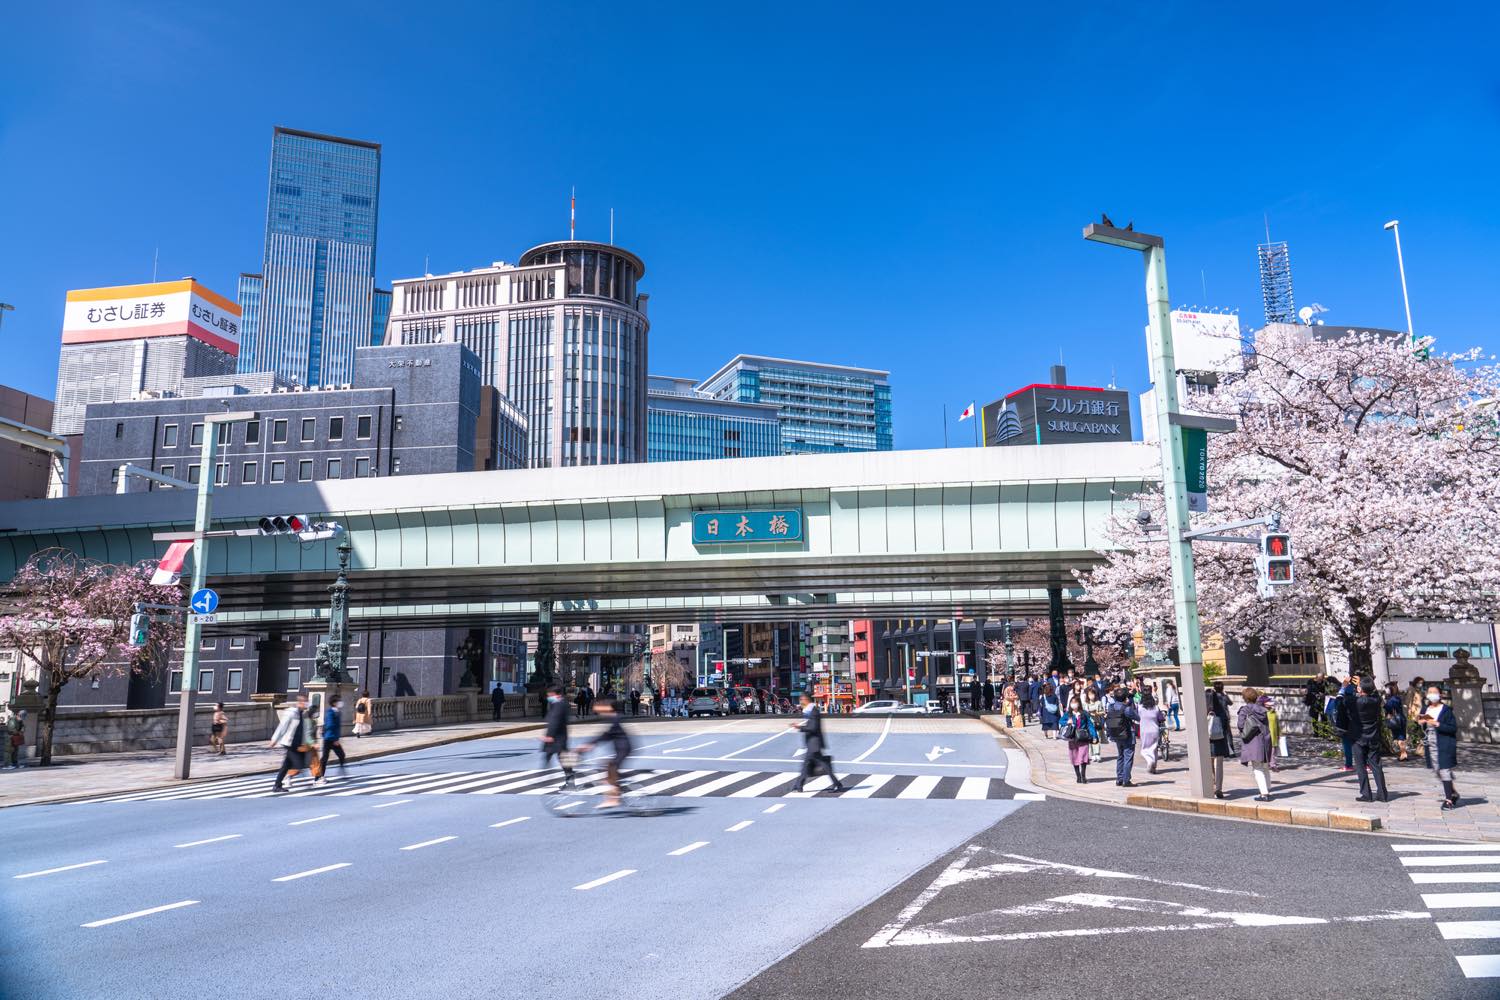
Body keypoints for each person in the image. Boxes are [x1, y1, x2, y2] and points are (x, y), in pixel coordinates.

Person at [578, 697, 631, 808]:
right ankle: (615, 791)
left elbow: (606, 735)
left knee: (611, 771)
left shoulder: (615, 719)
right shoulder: (613, 718)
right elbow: (606, 735)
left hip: (623, 749)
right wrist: (590, 744)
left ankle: (613, 799)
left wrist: (589, 744)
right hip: (621, 749)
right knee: (608, 769)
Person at [789, 692, 846, 793]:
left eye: (802, 700)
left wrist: (800, 727)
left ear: (807, 700)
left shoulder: (813, 711)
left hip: (814, 744)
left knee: (820, 765)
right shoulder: (809, 711)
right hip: (813, 743)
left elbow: (813, 727)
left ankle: (837, 785)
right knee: (807, 765)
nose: (801, 702)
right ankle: (798, 785)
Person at [1344, 677, 1389, 802]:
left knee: (1360, 766)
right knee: (1376, 765)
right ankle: (1382, 794)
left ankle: (1366, 794)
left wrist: (1345, 686)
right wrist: (1363, 685)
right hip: (1373, 735)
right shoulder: (1376, 700)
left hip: (1358, 737)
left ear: (1360, 689)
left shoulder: (1355, 701)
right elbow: (1374, 693)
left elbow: (1342, 699)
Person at [1422, 685, 1460, 809]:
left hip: (1444, 743)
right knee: (1437, 769)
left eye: (1435, 692)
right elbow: (1422, 723)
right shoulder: (1426, 708)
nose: (1432, 694)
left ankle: (1448, 799)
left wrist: (1438, 724)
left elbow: (1453, 728)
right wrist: (1421, 722)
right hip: (1431, 743)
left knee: (1444, 769)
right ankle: (1453, 792)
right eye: (1430, 692)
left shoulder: (1446, 710)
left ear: (1440, 695)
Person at [269, 694, 314, 793]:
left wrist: (309, 743)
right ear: (300, 703)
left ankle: (277, 785)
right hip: (290, 743)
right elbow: (282, 726)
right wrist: (274, 739)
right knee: (299, 764)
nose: (307, 704)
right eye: (306, 702)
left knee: (286, 765)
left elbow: (305, 730)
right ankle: (304, 784)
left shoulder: (303, 714)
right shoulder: (292, 713)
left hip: (297, 744)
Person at [1237, 687, 1273, 801]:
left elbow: (1240, 725)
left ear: (1245, 698)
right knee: (1265, 766)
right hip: (1265, 740)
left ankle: (1264, 794)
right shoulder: (1263, 709)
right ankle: (1267, 789)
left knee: (1257, 768)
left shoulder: (1245, 710)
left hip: (1253, 741)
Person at [541, 685, 576, 790]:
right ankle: (569, 781)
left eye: (549, 695)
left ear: (554, 694)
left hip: (557, 737)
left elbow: (555, 721)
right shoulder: (561, 703)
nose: (548, 697)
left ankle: (569, 782)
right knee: (562, 758)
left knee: (562, 759)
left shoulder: (559, 704)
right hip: (560, 736)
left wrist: (550, 735)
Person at [1105, 687, 1139, 786]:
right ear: (1125, 697)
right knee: (1128, 757)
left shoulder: (1111, 707)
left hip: (1116, 734)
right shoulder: (1126, 708)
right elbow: (1137, 717)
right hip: (1127, 734)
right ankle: (1126, 780)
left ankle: (1119, 778)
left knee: (1120, 756)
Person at [1061, 696, 1097, 783]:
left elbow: (1090, 725)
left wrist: (1094, 736)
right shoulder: (1068, 714)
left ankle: (1083, 776)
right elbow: (1061, 721)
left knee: (1084, 756)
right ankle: (1078, 776)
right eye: (1072, 702)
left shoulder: (1084, 713)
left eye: (1075, 702)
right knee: (1074, 756)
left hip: (1083, 737)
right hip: (1072, 737)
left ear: (1079, 703)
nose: (1074, 704)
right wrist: (1067, 722)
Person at [1207, 684, 1233, 799]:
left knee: (1209, 764)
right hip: (1220, 740)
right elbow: (1225, 726)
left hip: (1207, 741)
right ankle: (1219, 788)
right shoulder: (1221, 712)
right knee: (1219, 765)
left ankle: (1212, 785)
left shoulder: (1202, 712)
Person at [316, 695, 348, 785]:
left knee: (341, 755)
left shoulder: (337, 712)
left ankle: (340, 771)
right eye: (339, 701)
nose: (340, 703)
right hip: (329, 738)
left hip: (332, 738)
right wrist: (335, 739)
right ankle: (319, 777)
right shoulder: (330, 712)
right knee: (325, 759)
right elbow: (330, 726)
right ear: (334, 703)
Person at [1138, 691, 1165, 774]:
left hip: (1144, 731)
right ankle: (1153, 767)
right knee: (1154, 749)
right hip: (1155, 730)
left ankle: (1150, 761)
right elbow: (1161, 718)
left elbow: (1137, 717)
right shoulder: (1156, 707)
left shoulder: (1140, 707)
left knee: (1145, 749)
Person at [1384, 681, 1409, 762]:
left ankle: (1403, 753)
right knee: (1401, 736)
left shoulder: (1393, 699)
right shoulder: (1397, 697)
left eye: (1387, 688)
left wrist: (1385, 703)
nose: (1386, 690)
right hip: (1400, 718)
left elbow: (1388, 707)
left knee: (1399, 737)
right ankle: (1403, 753)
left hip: (1396, 720)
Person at [1082, 684, 1106, 765]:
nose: (1091, 696)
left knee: (1097, 737)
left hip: (1097, 722)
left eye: (1092, 694)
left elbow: (1103, 712)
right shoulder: (1085, 704)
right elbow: (1083, 713)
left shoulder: (1098, 702)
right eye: (1089, 694)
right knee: (1090, 738)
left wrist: (1097, 713)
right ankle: (1092, 754)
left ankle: (1097, 754)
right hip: (1089, 724)